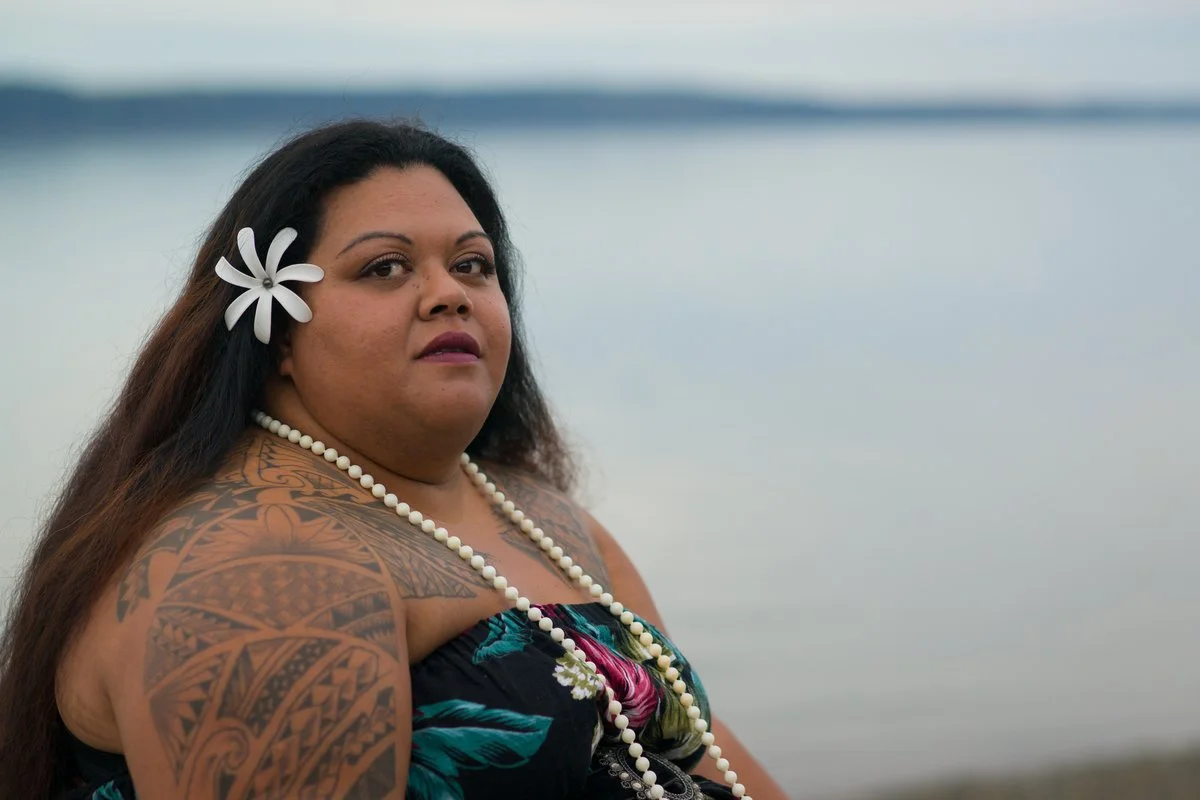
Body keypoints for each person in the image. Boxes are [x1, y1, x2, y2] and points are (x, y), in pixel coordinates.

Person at [0, 120, 788, 800]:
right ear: (274, 331)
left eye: (473, 265)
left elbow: (713, 758)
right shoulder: (262, 568)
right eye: (385, 267)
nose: (448, 293)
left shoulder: (543, 516)